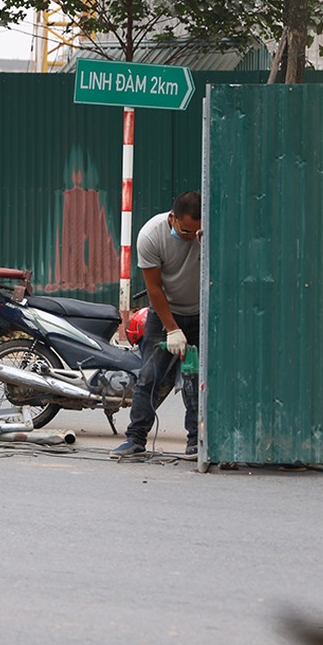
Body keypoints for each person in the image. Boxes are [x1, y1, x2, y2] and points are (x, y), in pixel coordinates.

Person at [112, 190, 202, 458]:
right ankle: (135, 439)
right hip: (165, 312)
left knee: (196, 379)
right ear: (172, 218)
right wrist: (172, 328)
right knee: (150, 376)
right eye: (185, 231)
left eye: (197, 233)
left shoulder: (209, 232)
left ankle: (197, 441)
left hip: (202, 313)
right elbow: (154, 288)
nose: (191, 238)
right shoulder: (151, 235)